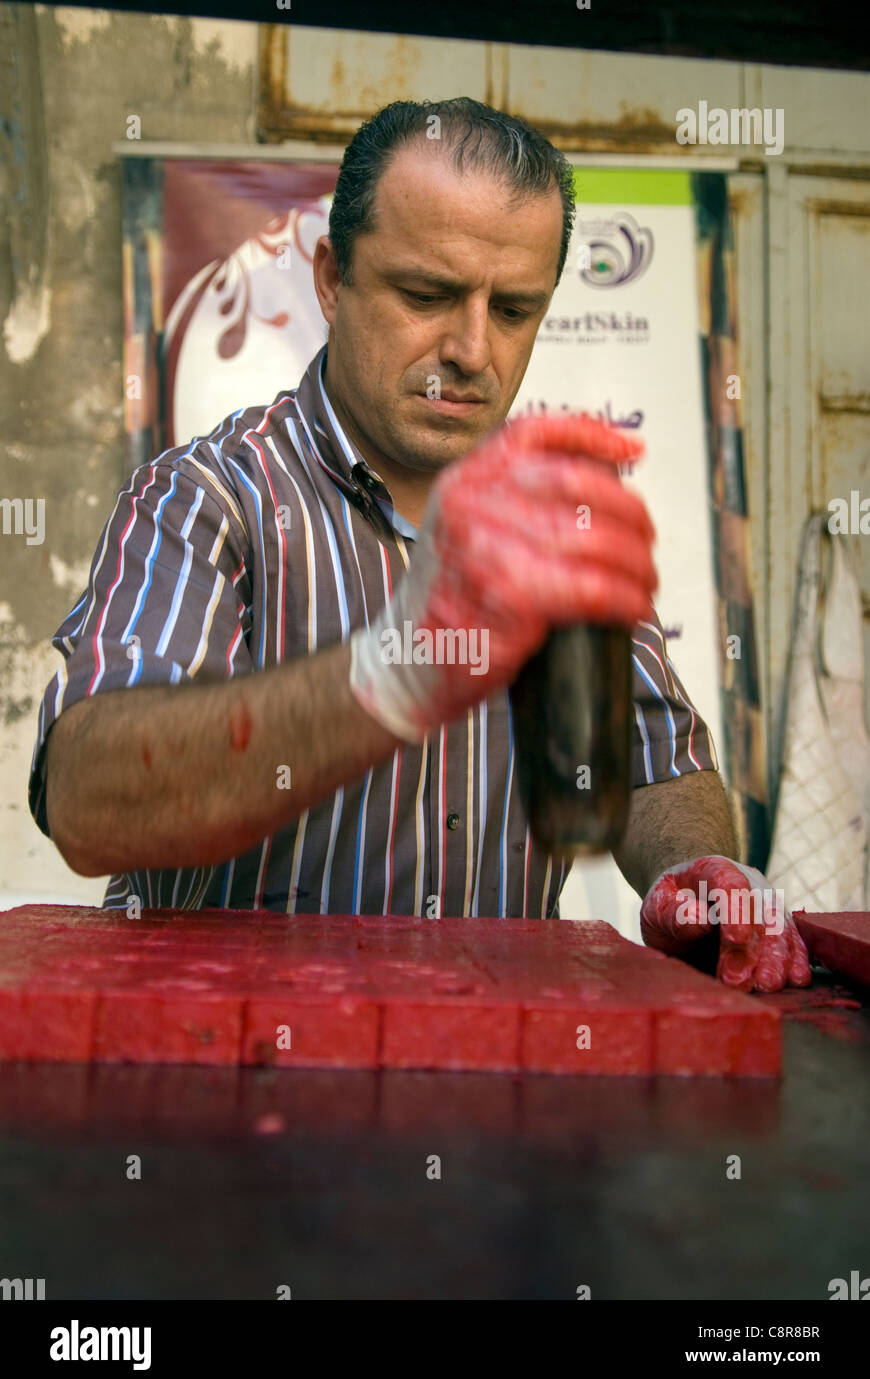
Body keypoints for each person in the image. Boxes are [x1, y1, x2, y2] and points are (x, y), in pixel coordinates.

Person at [29, 97, 810, 994]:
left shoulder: (558, 526)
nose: (473, 349)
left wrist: (699, 874)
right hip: (236, 1084)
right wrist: (392, 674)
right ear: (331, 279)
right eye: (426, 295)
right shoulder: (209, 500)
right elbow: (89, 808)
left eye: (514, 309)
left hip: (502, 1079)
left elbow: (652, 767)